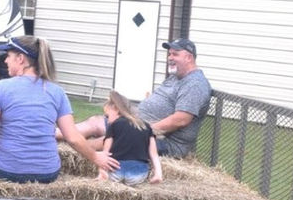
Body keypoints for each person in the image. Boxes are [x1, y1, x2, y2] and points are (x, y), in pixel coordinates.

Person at [0, 36, 111, 184]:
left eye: (8, 56)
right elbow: (73, 137)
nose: (5, 61)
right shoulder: (57, 92)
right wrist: (97, 158)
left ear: (20, 59)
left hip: (5, 170)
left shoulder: (0, 88)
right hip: (47, 173)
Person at [68, 38, 211, 161]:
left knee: (116, 137)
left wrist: (143, 131)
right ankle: (60, 134)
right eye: (169, 54)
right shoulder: (175, 77)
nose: (170, 57)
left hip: (165, 142)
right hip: (139, 124)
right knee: (96, 122)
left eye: (175, 54)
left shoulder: (195, 84)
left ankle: (74, 148)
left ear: (189, 57)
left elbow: (181, 120)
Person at [97, 90, 163, 185]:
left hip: (116, 171)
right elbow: (154, 154)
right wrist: (158, 174)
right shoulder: (146, 126)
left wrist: (101, 172)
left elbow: (105, 153)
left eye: (107, 116)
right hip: (138, 174)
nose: (107, 121)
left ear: (116, 108)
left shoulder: (114, 125)